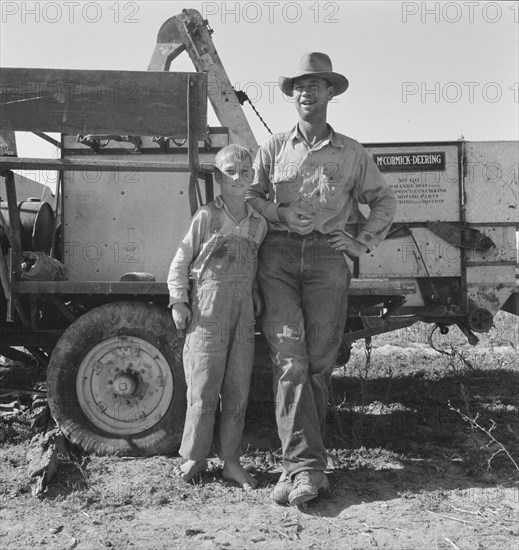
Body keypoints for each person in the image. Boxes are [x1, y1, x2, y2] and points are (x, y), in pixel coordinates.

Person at [246, 52, 397, 505]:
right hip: (277, 259)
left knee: (318, 364)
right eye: (298, 86)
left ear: (331, 93)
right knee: (289, 360)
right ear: (292, 95)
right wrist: (280, 212)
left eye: (315, 85)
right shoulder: (273, 147)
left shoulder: (352, 152)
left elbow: (384, 202)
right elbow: (251, 196)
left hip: (330, 263)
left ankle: (302, 467)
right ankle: (304, 468)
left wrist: (362, 242)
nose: (305, 92)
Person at [168, 144, 267, 488]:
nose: (238, 178)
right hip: (207, 311)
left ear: (253, 176)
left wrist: (253, 294)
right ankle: (195, 457)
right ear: (219, 177)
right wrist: (178, 300)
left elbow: (254, 269)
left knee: (238, 387)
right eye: (230, 172)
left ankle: (231, 461)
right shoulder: (207, 217)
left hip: (242, 315)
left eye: (244, 171)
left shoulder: (259, 225)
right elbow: (180, 262)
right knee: (204, 383)